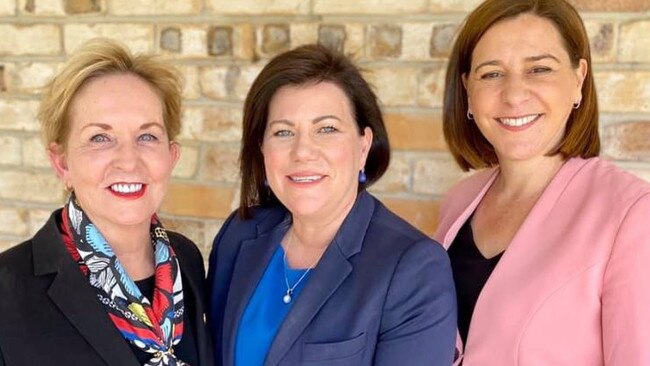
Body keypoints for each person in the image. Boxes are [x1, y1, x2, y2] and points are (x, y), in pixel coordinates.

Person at [207, 44, 456, 366]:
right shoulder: (239, 234)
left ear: (363, 145)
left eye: (326, 129)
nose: (303, 152)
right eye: (283, 132)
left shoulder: (413, 267)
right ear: (262, 149)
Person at [435, 0, 650, 364]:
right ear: (467, 89)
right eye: (491, 74)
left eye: (539, 69)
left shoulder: (632, 214)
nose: (515, 95)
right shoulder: (458, 201)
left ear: (579, 79)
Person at [0, 39, 212, 366]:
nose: (128, 161)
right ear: (62, 163)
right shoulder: (7, 290)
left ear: (171, 157)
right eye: (100, 137)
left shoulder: (186, 260)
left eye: (147, 136)